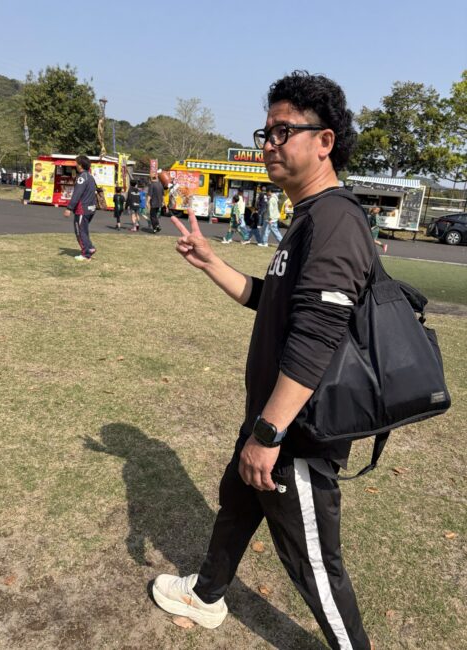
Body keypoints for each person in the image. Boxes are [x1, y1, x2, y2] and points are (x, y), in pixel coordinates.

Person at [152, 70, 376, 650]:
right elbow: (269, 300)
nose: (269, 143)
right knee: (235, 502)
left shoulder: (335, 220)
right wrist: (211, 263)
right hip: (270, 419)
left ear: (324, 141)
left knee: (315, 566)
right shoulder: (307, 217)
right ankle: (206, 595)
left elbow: (317, 335)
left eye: (283, 131)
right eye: (265, 132)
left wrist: (269, 433)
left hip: (297, 433)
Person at [63, 155, 97, 261]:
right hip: (91, 208)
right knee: (84, 230)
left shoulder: (82, 177)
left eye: (76, 163)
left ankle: (86, 254)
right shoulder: (90, 177)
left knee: (80, 231)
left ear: (80, 165)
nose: (75, 165)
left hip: (82, 209)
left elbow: (77, 194)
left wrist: (69, 208)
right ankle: (90, 248)